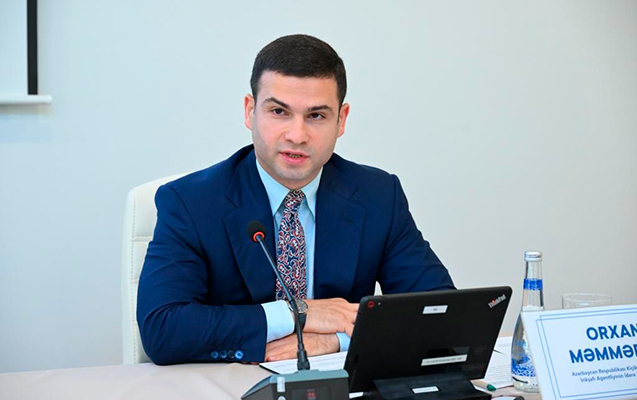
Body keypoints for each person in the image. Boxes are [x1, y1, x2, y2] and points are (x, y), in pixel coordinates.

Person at [137, 34, 454, 366]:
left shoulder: (378, 196)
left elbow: (441, 313)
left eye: (316, 116)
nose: (297, 135)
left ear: (341, 120)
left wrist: (337, 340)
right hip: (232, 379)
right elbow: (163, 329)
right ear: (250, 111)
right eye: (279, 111)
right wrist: (297, 314)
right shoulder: (190, 202)